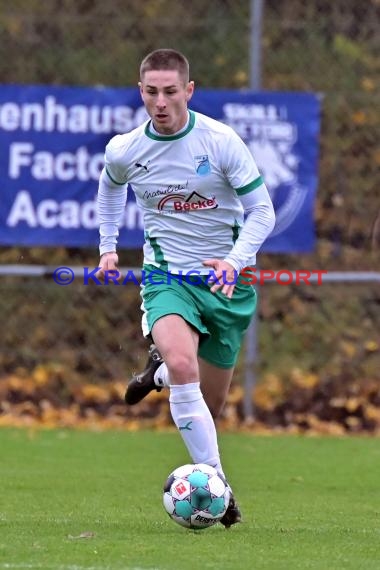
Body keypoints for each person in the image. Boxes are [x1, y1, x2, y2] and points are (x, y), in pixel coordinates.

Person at [96, 49, 275, 528]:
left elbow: (263, 212)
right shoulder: (126, 149)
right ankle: (218, 485)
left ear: (188, 91)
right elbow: (110, 185)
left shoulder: (220, 142)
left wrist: (235, 263)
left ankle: (159, 378)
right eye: (151, 92)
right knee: (182, 363)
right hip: (167, 277)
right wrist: (107, 246)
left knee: (208, 407)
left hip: (226, 283)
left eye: (170, 91)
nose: (161, 101)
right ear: (141, 92)